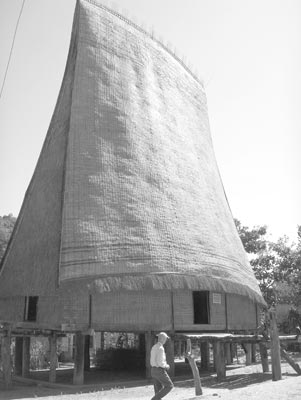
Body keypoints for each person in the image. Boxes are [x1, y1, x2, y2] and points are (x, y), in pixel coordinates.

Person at [150, 332, 174, 400]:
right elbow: (160, 362)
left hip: (153, 370)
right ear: (163, 339)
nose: (166, 340)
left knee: (158, 391)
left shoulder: (154, 347)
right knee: (169, 386)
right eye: (166, 338)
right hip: (159, 370)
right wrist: (166, 366)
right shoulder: (161, 348)